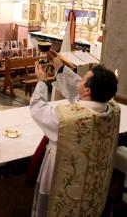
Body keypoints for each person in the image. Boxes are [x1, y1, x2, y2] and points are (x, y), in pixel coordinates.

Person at [30, 51, 119, 217]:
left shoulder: (67, 120)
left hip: (61, 178)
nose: (80, 79)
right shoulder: (112, 109)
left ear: (87, 91)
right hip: (91, 182)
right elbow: (82, 92)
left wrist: (41, 82)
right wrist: (60, 67)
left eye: (84, 78)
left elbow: (38, 110)